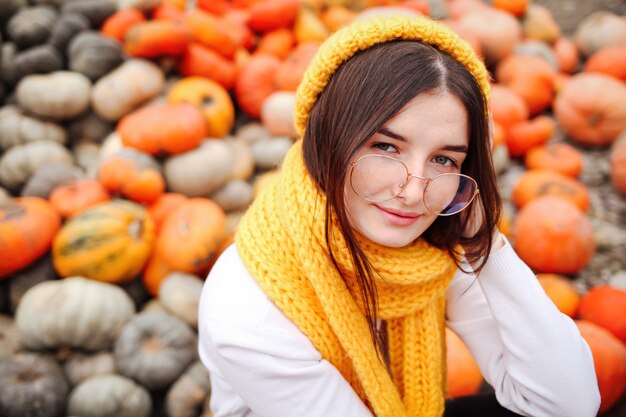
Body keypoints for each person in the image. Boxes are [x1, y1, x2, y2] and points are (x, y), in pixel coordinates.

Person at [198, 14, 600, 417]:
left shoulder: (432, 249)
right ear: (328, 136)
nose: (414, 192)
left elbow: (569, 405)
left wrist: (487, 248)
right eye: (387, 147)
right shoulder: (250, 309)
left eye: (443, 158)